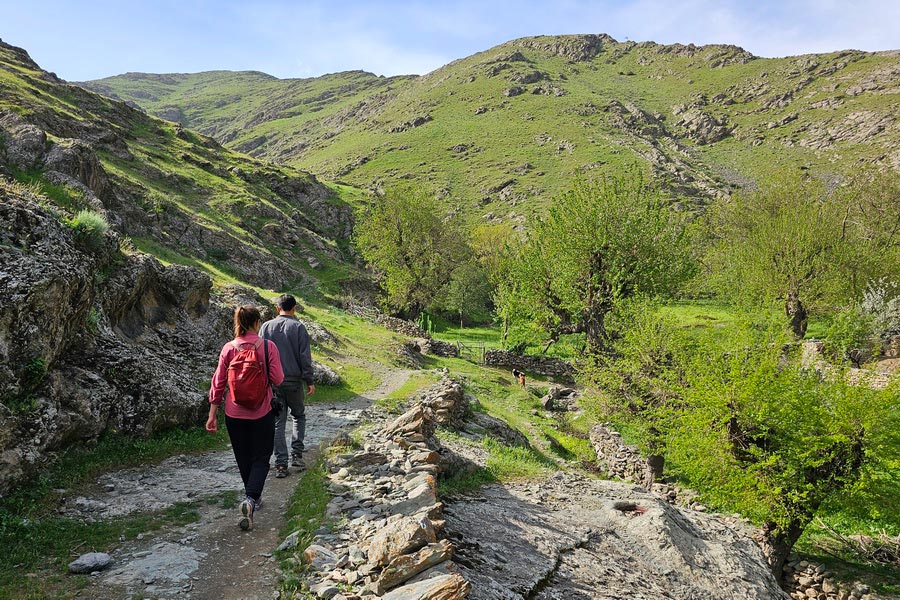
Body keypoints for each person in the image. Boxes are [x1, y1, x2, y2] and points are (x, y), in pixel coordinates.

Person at [206, 306, 284, 531]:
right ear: (257, 322)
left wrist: (212, 414)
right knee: (261, 457)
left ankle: (252, 497)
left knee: (243, 456)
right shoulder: (268, 346)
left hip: (234, 412)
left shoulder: (228, 348)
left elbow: (218, 382)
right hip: (262, 412)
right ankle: (251, 499)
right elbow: (278, 378)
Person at [258, 294, 315, 478]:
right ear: (294, 307)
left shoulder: (266, 327)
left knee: (278, 423)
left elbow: (259, 354)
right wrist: (310, 380)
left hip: (273, 383)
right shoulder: (298, 327)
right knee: (298, 416)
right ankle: (297, 455)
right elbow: (304, 357)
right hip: (294, 381)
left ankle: (281, 464)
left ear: (277, 308)